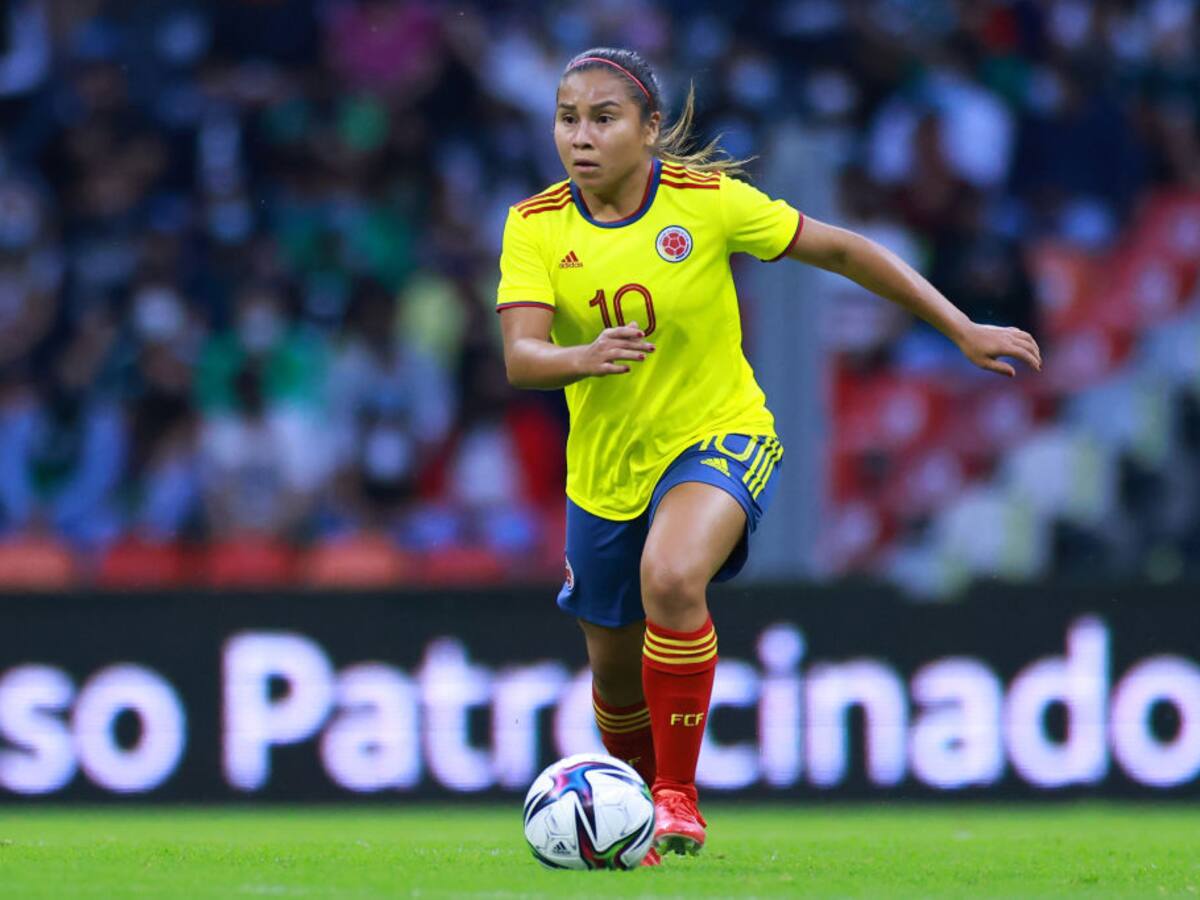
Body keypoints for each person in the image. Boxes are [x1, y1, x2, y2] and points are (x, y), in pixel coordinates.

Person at [496, 48, 1041, 863]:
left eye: (603, 118)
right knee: (613, 675)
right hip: (606, 472)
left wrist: (960, 326)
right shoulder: (535, 223)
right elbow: (520, 356)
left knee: (673, 578)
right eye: (568, 118)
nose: (580, 136)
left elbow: (846, 251)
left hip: (722, 433)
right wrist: (583, 356)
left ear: (649, 131)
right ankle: (636, 813)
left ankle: (678, 798)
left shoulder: (708, 203)